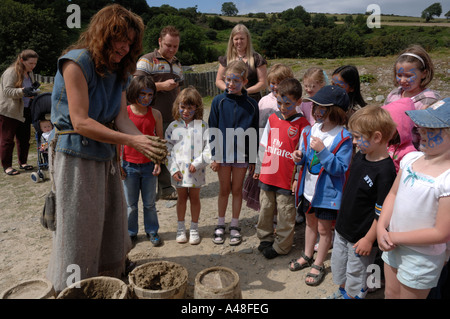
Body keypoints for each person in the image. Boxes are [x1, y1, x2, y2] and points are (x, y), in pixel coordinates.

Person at [47, 4, 168, 294]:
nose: (125, 48)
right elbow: (81, 122)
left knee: (110, 217)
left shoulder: (120, 71)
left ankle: (109, 275)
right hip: (75, 152)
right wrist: (132, 141)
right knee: (79, 225)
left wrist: (145, 140)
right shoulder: (75, 63)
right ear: (102, 35)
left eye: (130, 42)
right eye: (120, 40)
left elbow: (121, 119)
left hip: (105, 153)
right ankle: (73, 285)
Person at [377, 97, 450, 299]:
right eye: (421, 126)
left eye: (431, 129)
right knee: (390, 293)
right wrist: (382, 227)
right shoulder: (411, 159)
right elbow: (393, 194)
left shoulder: (447, 178)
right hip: (392, 244)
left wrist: (394, 237)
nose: (421, 132)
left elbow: (441, 233)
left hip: (421, 257)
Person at [327, 105, 397, 299]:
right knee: (340, 268)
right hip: (343, 228)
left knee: (357, 275)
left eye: (358, 137)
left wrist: (368, 239)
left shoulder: (386, 171)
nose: (354, 142)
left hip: (361, 237)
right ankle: (342, 293)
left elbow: (382, 212)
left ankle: (352, 295)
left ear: (376, 137)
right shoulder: (360, 156)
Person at [289, 85, 353, 287]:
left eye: (321, 107)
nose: (316, 110)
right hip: (308, 190)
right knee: (310, 224)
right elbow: (305, 158)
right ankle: (308, 254)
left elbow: (340, 168)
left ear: (335, 111)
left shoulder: (344, 137)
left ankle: (318, 263)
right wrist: (298, 157)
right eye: (315, 106)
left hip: (327, 194)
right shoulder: (309, 130)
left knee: (325, 231)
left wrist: (323, 151)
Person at [254, 78, 310, 259]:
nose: (283, 107)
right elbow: (264, 145)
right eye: (279, 102)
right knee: (265, 209)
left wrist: (296, 179)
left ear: (298, 102)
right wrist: (258, 166)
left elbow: (303, 156)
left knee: (286, 213)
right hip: (268, 175)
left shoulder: (303, 126)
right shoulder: (273, 118)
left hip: (286, 179)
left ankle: (282, 246)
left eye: (288, 103)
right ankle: (265, 238)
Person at [209, 60, 259, 246]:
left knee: (237, 190)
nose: (231, 84)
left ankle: (235, 225)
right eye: (228, 79)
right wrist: (214, 156)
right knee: (224, 190)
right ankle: (220, 224)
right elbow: (212, 129)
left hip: (242, 156)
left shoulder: (252, 105)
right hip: (222, 155)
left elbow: (254, 132)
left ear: (245, 81)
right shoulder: (218, 101)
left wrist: (253, 158)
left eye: (236, 80)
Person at [135, 25, 183, 201]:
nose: (171, 49)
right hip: (149, 116)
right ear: (160, 42)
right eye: (168, 45)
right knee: (151, 151)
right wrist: (161, 86)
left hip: (171, 116)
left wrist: (180, 109)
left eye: (175, 46)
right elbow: (136, 86)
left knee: (167, 151)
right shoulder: (146, 60)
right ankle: (153, 188)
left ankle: (165, 187)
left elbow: (178, 91)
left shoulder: (178, 64)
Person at [243, 63, 294, 212]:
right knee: (262, 182)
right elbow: (257, 125)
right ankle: (266, 214)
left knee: (279, 184)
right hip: (264, 147)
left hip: (281, 149)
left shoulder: (291, 103)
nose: (276, 86)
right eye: (273, 83)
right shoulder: (264, 100)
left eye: (280, 83)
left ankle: (280, 215)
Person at [165, 86, 211, 245]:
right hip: (179, 172)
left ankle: (194, 228)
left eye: (190, 108)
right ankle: (180, 227)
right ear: (177, 106)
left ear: (196, 107)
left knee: (195, 197)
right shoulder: (172, 127)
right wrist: (173, 168)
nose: (186, 111)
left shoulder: (203, 126)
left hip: (196, 172)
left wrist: (198, 163)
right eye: (183, 107)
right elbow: (167, 149)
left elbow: (209, 148)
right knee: (182, 198)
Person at [121, 75, 163, 246]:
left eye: (150, 94)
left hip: (148, 167)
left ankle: (152, 231)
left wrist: (158, 163)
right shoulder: (125, 112)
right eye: (143, 94)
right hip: (128, 165)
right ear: (134, 93)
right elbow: (119, 140)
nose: (146, 98)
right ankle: (130, 233)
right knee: (130, 204)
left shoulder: (156, 114)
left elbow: (159, 142)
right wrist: (118, 163)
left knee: (149, 203)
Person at [384, 45, 441, 149]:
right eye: (399, 75)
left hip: (416, 154)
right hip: (390, 151)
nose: (402, 80)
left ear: (424, 74)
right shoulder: (393, 95)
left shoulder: (429, 100)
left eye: (408, 76)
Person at [0, 49, 39, 175]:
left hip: (25, 110)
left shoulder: (29, 73)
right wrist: (23, 91)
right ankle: (7, 166)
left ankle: (23, 162)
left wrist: (31, 93)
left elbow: (27, 89)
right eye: (31, 63)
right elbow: (7, 91)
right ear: (22, 60)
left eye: (35, 63)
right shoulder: (11, 72)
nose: (33, 66)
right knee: (7, 140)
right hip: (9, 111)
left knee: (24, 139)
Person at [215, 24, 267, 102]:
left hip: (252, 100)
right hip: (231, 100)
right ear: (232, 40)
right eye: (236, 39)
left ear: (247, 39)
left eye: (242, 39)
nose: (239, 42)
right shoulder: (226, 59)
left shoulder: (257, 58)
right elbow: (218, 81)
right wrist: (231, 90)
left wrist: (245, 92)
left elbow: (263, 83)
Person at [382, 98, 417, 173]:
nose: (381, 129)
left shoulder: (409, 152)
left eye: (387, 126)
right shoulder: (385, 142)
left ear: (402, 127)